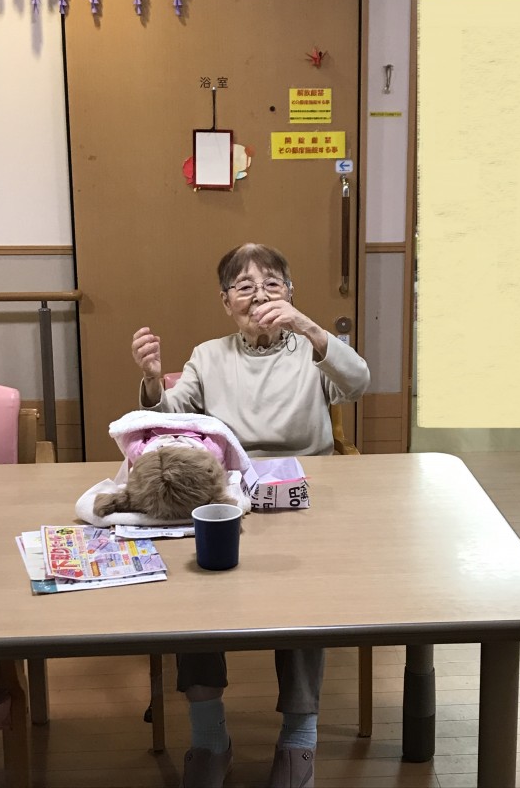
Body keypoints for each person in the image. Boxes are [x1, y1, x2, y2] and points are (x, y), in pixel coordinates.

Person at [131, 243, 370, 788]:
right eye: (244, 287)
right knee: (196, 591)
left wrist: (308, 327)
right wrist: (151, 379)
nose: (259, 296)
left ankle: (300, 739)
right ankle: (209, 737)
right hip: (228, 494)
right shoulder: (208, 355)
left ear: (290, 294)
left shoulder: (310, 349)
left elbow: (357, 383)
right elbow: (167, 417)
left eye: (272, 285)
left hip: (303, 494)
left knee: (306, 600)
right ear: (226, 302)